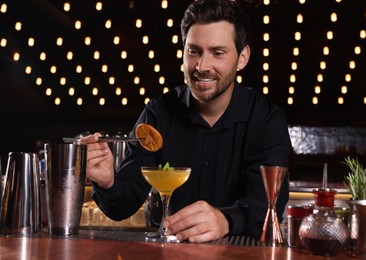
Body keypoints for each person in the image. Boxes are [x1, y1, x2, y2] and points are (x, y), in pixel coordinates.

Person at [81, 0, 292, 243]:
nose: (202, 66)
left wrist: (225, 219)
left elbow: (268, 203)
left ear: (242, 57)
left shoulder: (266, 119)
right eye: (194, 51)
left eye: (218, 52)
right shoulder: (158, 113)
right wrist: (108, 181)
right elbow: (123, 206)